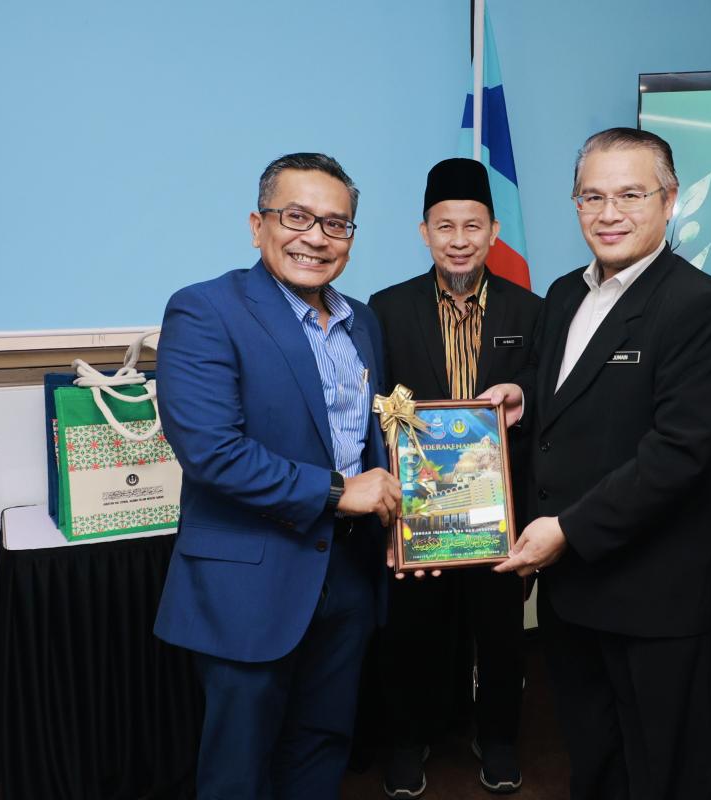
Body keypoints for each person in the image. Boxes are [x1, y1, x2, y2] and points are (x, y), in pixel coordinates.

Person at [484, 128, 711, 799]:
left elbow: (677, 454)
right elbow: (568, 398)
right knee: (593, 750)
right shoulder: (563, 295)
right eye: (592, 196)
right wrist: (524, 395)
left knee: (669, 768)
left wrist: (566, 531)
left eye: (630, 195)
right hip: (572, 586)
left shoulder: (702, 307)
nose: (609, 213)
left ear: (669, 200)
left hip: (652, 589)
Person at [153, 152, 402, 800]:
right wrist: (339, 492)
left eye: (335, 224)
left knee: (322, 747)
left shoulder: (362, 322)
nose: (316, 237)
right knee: (239, 769)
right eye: (297, 217)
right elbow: (212, 452)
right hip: (253, 581)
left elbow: (369, 439)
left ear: (350, 238)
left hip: (349, 575)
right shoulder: (205, 310)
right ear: (257, 224)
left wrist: (413, 521)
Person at [367, 158, 542, 798]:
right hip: (419, 512)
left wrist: (523, 392)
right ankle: (407, 741)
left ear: (494, 231)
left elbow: (548, 393)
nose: (459, 240)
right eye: (445, 227)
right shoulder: (386, 309)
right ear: (425, 232)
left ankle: (497, 738)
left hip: (501, 509)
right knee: (412, 631)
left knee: (501, 633)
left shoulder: (533, 309)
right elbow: (370, 404)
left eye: (473, 226)